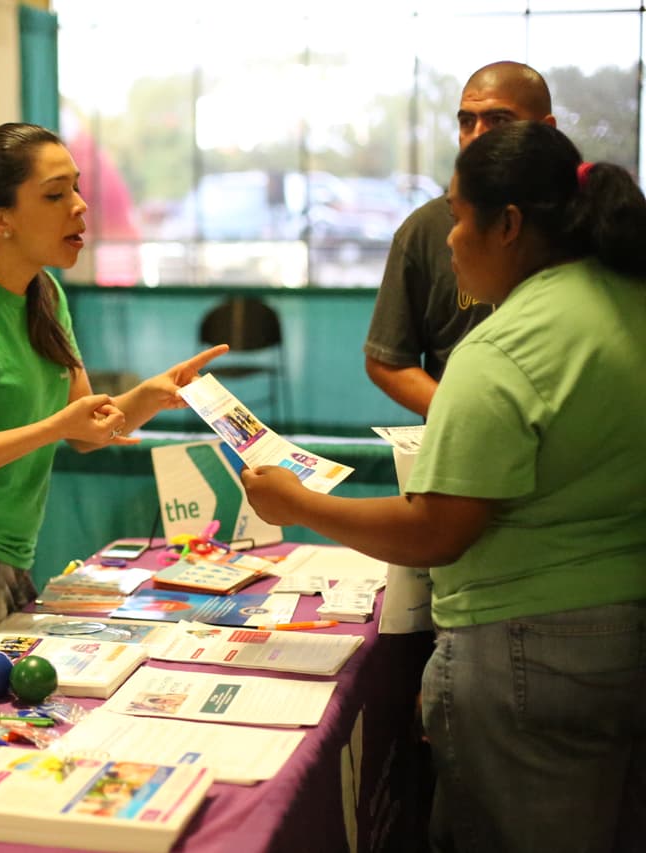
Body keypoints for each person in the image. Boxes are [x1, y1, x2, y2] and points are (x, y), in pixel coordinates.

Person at [243, 122, 646, 852]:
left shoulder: (506, 344)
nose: (449, 239)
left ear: (511, 225)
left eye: (459, 216)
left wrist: (295, 503)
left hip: (525, 649)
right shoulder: (625, 298)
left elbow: (437, 527)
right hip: (622, 630)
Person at [0, 122, 228, 683]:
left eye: (78, 189)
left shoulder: (44, 291)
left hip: (6, 551)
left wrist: (149, 397)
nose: (81, 208)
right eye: (56, 195)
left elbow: (85, 430)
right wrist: (49, 427)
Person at [364, 61, 555, 418]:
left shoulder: (580, 223)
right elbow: (386, 360)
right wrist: (466, 418)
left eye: (499, 121)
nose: (478, 135)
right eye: (467, 122)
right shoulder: (424, 230)